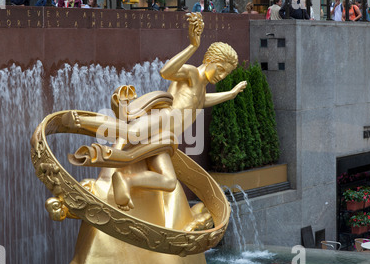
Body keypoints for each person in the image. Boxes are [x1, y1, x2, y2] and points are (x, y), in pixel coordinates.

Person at [64, 13, 247, 211]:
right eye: (220, 69)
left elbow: (201, 102)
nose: (221, 76)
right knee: (132, 132)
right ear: (209, 60)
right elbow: (166, 72)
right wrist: (193, 46)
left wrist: (230, 94)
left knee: (169, 181)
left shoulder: (201, 89)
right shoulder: (192, 73)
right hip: (163, 119)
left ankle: (126, 181)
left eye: (226, 74)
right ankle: (79, 121)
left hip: (165, 139)